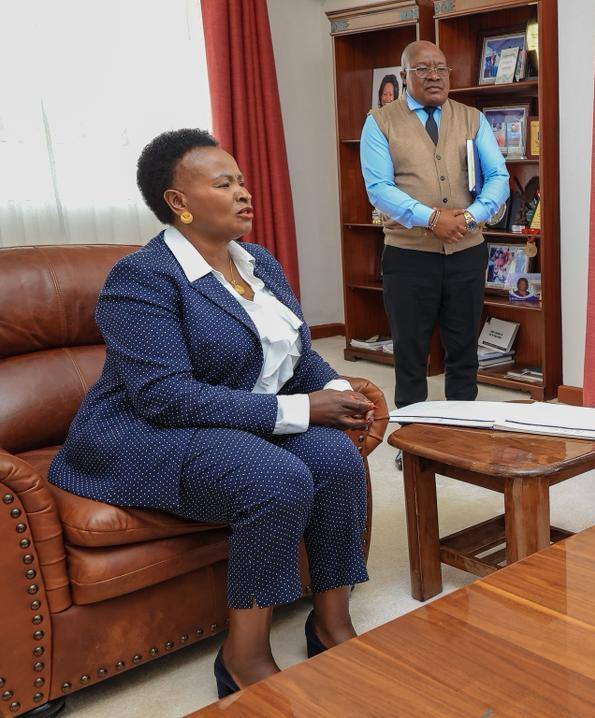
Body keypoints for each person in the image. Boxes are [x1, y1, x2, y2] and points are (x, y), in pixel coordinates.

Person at [48, 129, 378, 695]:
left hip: (227, 417)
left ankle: (331, 622)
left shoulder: (261, 265)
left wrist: (344, 392)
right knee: (276, 479)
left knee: (337, 461)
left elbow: (294, 357)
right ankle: (243, 656)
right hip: (141, 431)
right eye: (224, 183)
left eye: (243, 180)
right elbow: (164, 397)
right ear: (178, 203)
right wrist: (303, 407)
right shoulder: (142, 277)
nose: (245, 193)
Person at [362, 40, 509, 469]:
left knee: (464, 348)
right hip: (409, 256)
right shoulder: (380, 122)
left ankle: (462, 438)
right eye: (423, 69)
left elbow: (498, 175)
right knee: (411, 352)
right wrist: (430, 218)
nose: (434, 76)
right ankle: (413, 443)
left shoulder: (472, 118)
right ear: (404, 75)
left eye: (441, 68)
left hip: (467, 251)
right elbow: (379, 188)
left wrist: (471, 216)